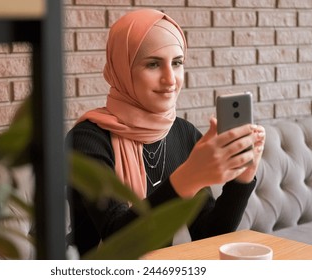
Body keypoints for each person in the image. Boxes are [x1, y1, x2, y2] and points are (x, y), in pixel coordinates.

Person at [66, 8, 266, 256]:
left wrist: (243, 178)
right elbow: (119, 241)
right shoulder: (86, 140)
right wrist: (188, 178)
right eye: (153, 64)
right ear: (122, 67)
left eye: (177, 63)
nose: (171, 79)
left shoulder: (182, 133)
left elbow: (207, 234)